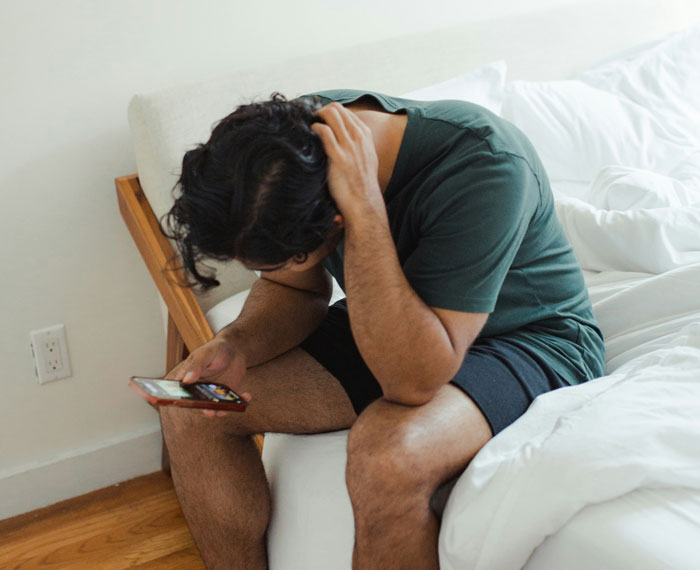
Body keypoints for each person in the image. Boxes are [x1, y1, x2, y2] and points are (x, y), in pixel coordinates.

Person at [160, 90, 605, 570]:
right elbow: (294, 290)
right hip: (394, 321)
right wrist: (239, 341)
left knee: (386, 458)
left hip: (528, 339)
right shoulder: (293, 153)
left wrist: (366, 210)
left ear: (333, 222)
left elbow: (410, 382)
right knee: (190, 405)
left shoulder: (488, 164)